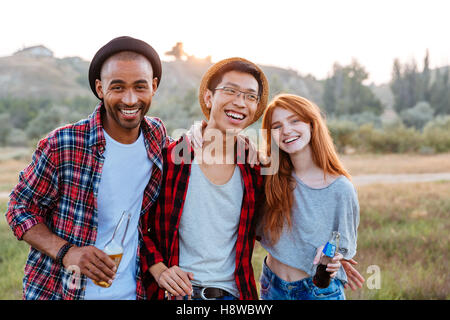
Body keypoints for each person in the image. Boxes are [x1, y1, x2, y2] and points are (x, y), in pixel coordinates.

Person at [5, 36, 168, 300]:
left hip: (132, 292)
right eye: (118, 87)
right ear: (100, 88)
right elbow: (19, 209)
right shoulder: (64, 144)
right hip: (60, 293)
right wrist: (68, 251)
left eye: (140, 87)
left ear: (154, 87)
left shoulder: (157, 137)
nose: (130, 99)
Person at [140, 57, 269, 300]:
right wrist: (159, 270)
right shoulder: (171, 159)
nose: (240, 102)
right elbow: (134, 224)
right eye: (230, 91)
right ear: (209, 98)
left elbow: (278, 223)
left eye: (250, 96)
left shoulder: (254, 168)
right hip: (178, 294)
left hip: (235, 295)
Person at [257, 93, 362, 300]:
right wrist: (200, 130)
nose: (286, 130)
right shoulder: (269, 175)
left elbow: (342, 248)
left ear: (312, 125)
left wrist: (332, 256)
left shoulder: (340, 188)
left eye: (295, 120)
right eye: (277, 126)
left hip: (316, 291)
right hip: (271, 287)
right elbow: (228, 148)